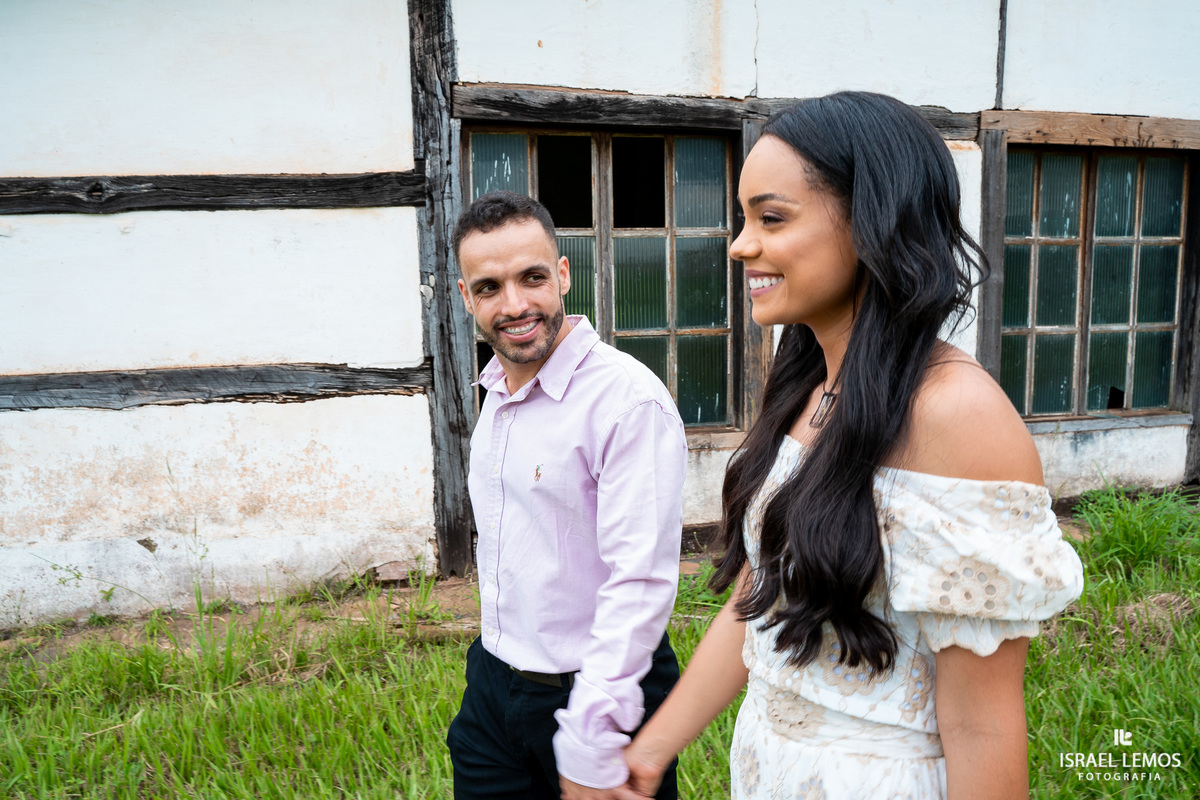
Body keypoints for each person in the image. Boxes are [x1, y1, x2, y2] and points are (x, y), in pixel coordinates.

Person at [617, 92, 1085, 800]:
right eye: (743, 219)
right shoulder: (809, 382)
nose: (740, 245)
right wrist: (649, 752)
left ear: (873, 222)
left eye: (771, 218)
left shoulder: (957, 415)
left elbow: (983, 727)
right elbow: (764, 595)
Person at [446, 190, 688, 800]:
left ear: (563, 275)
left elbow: (640, 583)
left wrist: (592, 731)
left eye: (532, 278)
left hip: (597, 691)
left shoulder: (627, 402)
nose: (514, 305)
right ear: (467, 297)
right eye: (489, 288)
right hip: (493, 687)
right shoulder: (497, 393)